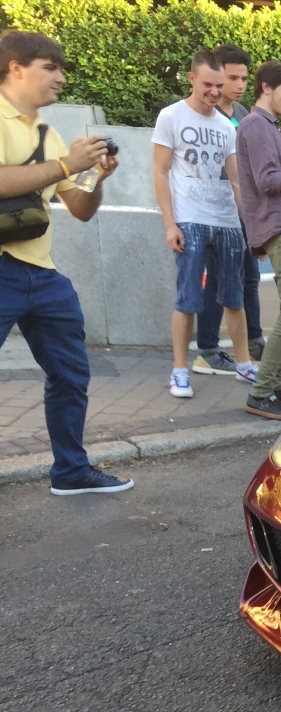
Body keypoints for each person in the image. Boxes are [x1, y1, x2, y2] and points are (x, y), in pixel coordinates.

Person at [0, 29, 131, 495]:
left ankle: (71, 472)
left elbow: (77, 208)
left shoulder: (48, 133)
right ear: (16, 66)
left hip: (43, 274)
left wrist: (95, 177)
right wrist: (64, 165)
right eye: (49, 67)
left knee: (71, 375)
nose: (60, 77)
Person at [153, 50, 254, 399]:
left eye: (219, 85)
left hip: (226, 220)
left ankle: (244, 364)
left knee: (234, 297)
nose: (214, 91)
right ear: (192, 78)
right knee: (188, 299)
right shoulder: (171, 117)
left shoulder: (227, 126)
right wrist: (170, 224)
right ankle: (179, 370)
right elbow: (160, 171)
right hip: (190, 219)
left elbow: (236, 179)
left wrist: (249, 223)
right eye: (207, 84)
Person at [235, 60, 281, 420]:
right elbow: (268, 181)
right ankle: (262, 390)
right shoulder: (257, 126)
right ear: (266, 87)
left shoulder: (265, 126)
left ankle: (275, 382)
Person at [193, 43, 264, 376]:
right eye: (231, 77)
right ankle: (206, 349)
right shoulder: (202, 115)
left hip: (243, 209)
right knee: (218, 279)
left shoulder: (242, 113)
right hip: (211, 210)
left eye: (243, 78)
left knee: (250, 277)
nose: (238, 85)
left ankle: (252, 343)